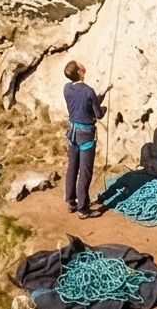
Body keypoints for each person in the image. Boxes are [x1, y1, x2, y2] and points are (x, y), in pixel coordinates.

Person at [62, 60, 104, 216]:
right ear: (79, 71)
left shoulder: (67, 88)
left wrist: (97, 98)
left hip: (72, 132)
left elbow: (81, 106)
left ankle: (71, 202)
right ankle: (83, 209)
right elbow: (97, 114)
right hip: (85, 135)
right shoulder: (88, 91)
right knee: (85, 171)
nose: (83, 65)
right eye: (80, 66)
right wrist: (102, 106)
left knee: (73, 167)